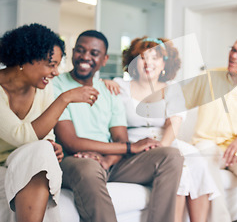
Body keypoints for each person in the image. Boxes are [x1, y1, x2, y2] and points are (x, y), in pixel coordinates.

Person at [52, 30, 184, 222]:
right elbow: (70, 142)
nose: (86, 57)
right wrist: (129, 147)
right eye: (80, 50)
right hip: (74, 159)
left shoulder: (108, 91)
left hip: (110, 161)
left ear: (104, 59)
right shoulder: (56, 86)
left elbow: (120, 138)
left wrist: (107, 160)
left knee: (171, 156)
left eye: (94, 53)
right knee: (89, 167)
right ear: (73, 52)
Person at [104, 36, 219, 222]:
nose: (148, 62)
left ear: (165, 63)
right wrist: (103, 82)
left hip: (165, 141)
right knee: (179, 163)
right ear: (133, 62)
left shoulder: (173, 89)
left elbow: (173, 124)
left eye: (155, 58)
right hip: (133, 143)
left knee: (195, 161)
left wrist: (161, 146)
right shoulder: (120, 86)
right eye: (142, 57)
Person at [0, 23, 99, 222]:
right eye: (50, 64)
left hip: (24, 160)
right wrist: (64, 99)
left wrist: (53, 147)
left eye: (57, 66)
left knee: (43, 153)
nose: (55, 72)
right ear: (25, 58)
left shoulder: (44, 88)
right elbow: (21, 136)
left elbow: (46, 136)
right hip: (4, 163)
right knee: (38, 156)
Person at [181, 38, 237, 222]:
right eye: (232, 50)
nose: (233, 56)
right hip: (207, 145)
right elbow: (176, 97)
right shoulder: (209, 77)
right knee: (204, 162)